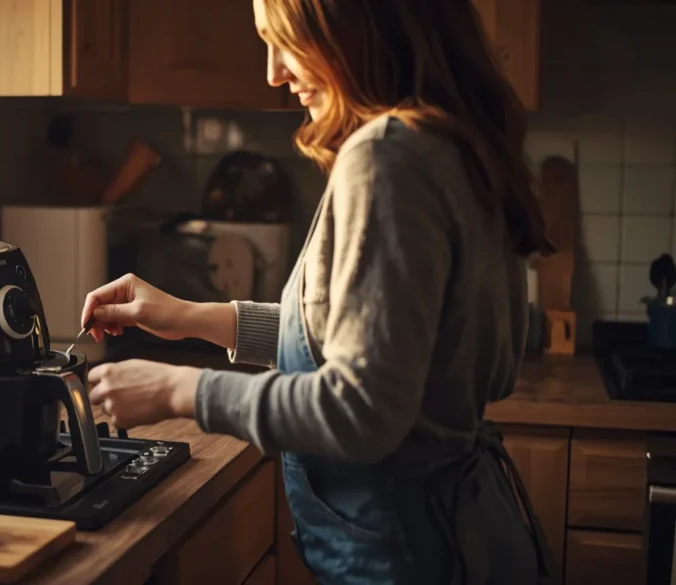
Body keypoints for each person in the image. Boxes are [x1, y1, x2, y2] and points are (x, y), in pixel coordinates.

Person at [80, 0, 558, 583]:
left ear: (359, 23)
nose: (274, 72)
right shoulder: (454, 143)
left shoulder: (389, 156)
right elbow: (365, 339)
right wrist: (191, 317)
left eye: (285, 39)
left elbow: (361, 411)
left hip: (409, 554)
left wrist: (181, 389)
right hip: (464, 534)